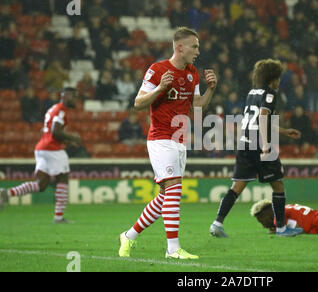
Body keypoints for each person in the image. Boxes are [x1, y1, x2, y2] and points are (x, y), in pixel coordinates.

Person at [118, 27, 217, 260]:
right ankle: (173, 248)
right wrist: (161, 87)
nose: (198, 51)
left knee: (165, 196)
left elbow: (199, 107)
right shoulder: (157, 69)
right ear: (180, 47)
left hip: (179, 142)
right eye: (194, 46)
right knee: (174, 187)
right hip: (161, 139)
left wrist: (212, 89)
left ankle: (129, 235)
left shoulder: (192, 73)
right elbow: (138, 103)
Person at [209, 58, 303, 239]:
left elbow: (255, 120)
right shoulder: (270, 94)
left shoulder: (252, 92)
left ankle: (217, 223)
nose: (279, 81)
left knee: (236, 186)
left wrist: (283, 131)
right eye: (278, 77)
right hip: (260, 145)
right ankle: (282, 229)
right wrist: (267, 145)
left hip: (245, 143)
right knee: (278, 185)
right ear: (273, 78)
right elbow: (262, 118)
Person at [0, 88, 82, 222]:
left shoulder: (53, 108)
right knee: (63, 179)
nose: (76, 100)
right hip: (53, 149)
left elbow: (48, 131)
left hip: (41, 148)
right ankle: (58, 217)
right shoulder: (61, 110)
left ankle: (6, 193)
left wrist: (66, 140)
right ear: (66, 96)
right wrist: (73, 138)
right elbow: (55, 132)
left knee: (41, 185)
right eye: (74, 96)